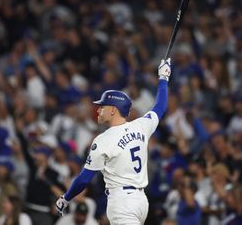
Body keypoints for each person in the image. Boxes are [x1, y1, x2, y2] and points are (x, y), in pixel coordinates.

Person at [55, 58, 171, 224]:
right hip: (141, 202)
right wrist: (163, 79)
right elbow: (160, 106)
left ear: (113, 110)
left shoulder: (103, 140)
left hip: (122, 202)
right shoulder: (141, 126)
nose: (99, 110)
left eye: (103, 107)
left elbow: (84, 179)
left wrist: (66, 198)